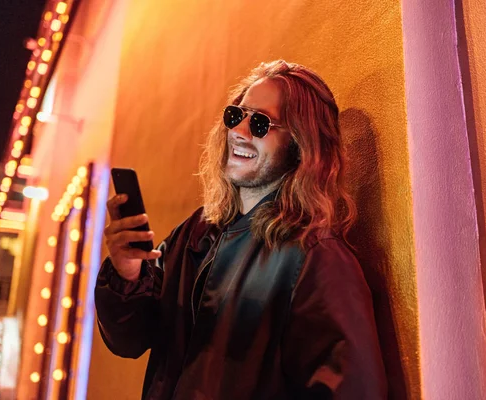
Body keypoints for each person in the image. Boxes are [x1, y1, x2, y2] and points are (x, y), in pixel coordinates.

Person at [95, 60, 387, 399]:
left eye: (261, 123)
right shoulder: (197, 232)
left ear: (300, 146)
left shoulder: (316, 258)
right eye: (237, 116)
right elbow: (131, 338)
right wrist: (127, 273)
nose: (240, 131)